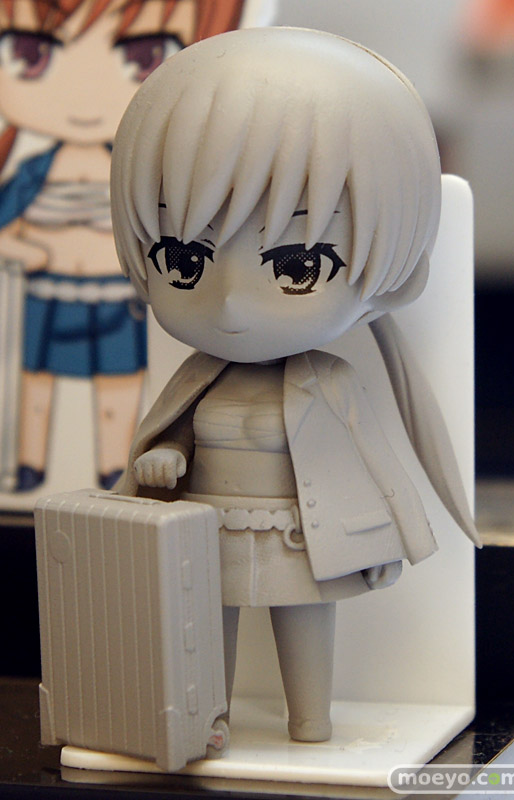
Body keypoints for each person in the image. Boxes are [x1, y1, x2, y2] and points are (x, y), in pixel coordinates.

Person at [111, 27, 480, 744]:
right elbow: (168, 442)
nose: (229, 303)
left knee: (305, 626)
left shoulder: (327, 380)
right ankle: (208, 719)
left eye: (296, 265)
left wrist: (398, 541)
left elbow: (377, 463)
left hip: (300, 538)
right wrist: (164, 460)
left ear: (394, 270)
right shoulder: (195, 380)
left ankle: (311, 721)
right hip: (205, 535)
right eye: (182, 258)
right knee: (203, 626)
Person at [0, 0, 245, 491]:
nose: (85, 91)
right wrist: (25, 251)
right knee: (36, 380)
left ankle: (119, 467)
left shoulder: (142, 177)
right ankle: (30, 464)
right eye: (32, 53)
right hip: (46, 293)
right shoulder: (31, 173)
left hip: (117, 301)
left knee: (119, 383)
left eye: (144, 56)